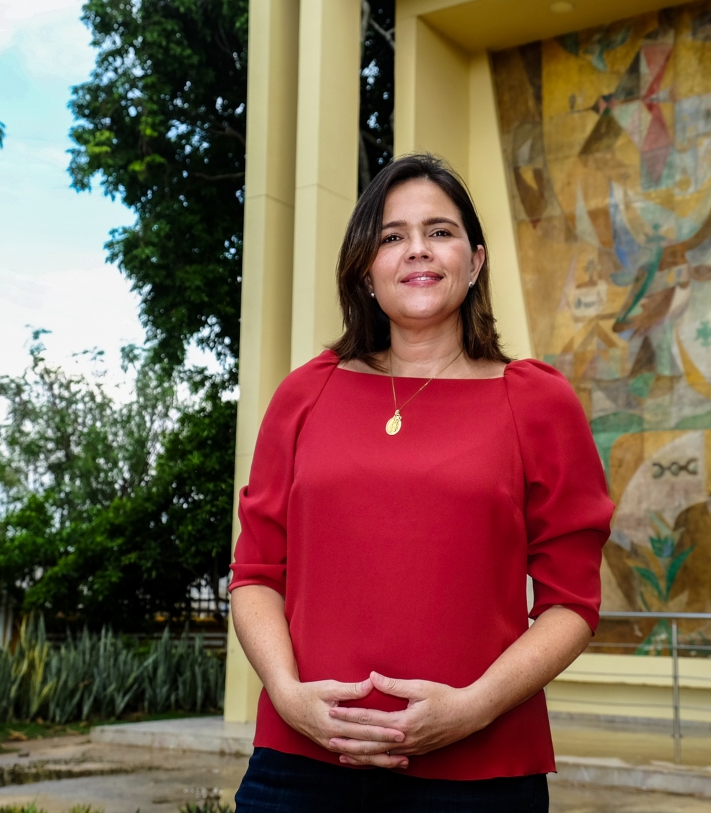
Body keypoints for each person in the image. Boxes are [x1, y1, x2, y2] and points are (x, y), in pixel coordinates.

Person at [229, 154, 614, 812]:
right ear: (366, 270)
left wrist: (473, 708)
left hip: (480, 771)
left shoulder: (537, 402)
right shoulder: (306, 394)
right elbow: (256, 575)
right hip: (300, 767)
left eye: (440, 231)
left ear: (475, 261)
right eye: (391, 235)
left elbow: (570, 604)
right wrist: (289, 697)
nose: (417, 250)